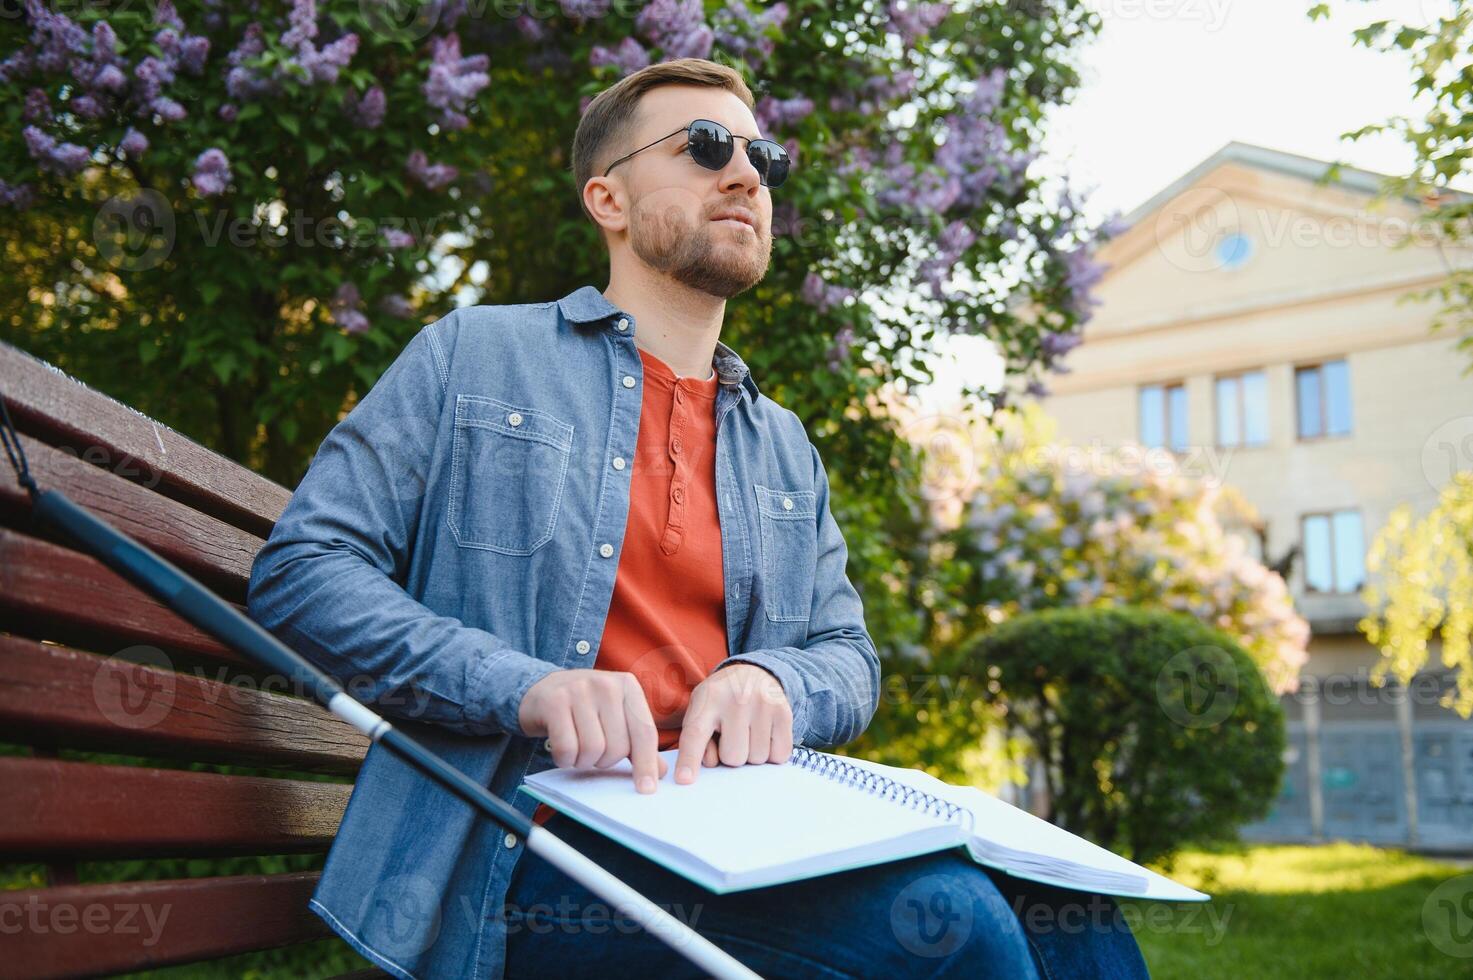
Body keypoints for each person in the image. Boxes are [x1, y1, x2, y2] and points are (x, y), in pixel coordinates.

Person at [246, 57, 1149, 979]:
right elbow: (302, 568)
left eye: (761, 155)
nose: (747, 174)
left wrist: (774, 681)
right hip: (530, 847)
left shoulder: (781, 441)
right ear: (609, 199)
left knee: (1076, 919)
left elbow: (849, 656)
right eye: (705, 147)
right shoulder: (473, 357)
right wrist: (523, 685)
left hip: (745, 828)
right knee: (955, 929)